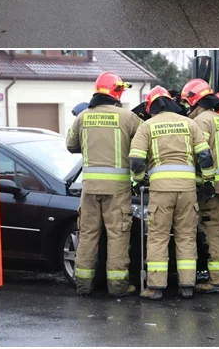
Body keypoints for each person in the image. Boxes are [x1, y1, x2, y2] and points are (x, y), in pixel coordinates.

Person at [131, 86, 214, 301]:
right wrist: (207, 180)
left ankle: (156, 287)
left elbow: (137, 160)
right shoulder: (189, 124)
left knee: (158, 237)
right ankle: (187, 286)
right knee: (186, 237)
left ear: (151, 107)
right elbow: (205, 156)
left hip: (161, 192)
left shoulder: (147, 126)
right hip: (188, 191)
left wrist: (138, 180)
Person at [65, 72, 142, 297]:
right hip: (118, 191)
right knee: (118, 236)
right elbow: (141, 148)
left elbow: (71, 146)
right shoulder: (128, 117)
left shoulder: (83, 117)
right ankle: (118, 287)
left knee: (88, 236)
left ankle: (83, 286)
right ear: (117, 92)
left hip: (89, 190)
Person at [181, 79, 219, 294]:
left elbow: (199, 155)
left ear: (195, 101)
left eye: (187, 104)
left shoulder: (201, 122)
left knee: (213, 232)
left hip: (210, 187)